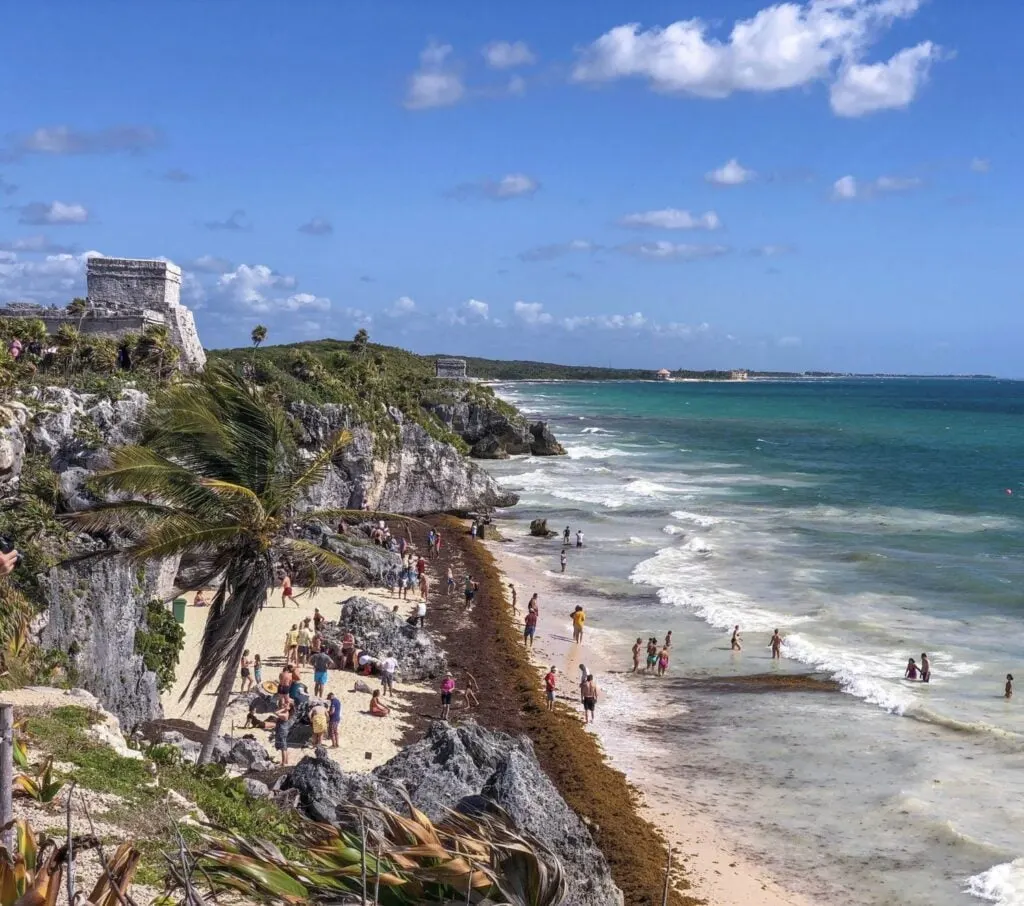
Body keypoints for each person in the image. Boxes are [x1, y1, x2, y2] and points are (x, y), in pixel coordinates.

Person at [274, 700, 294, 765]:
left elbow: (276, 713)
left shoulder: (285, 714)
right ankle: (286, 761)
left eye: (287, 704)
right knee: (284, 747)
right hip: (283, 730)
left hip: (282, 731)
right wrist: (284, 708)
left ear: (289, 707)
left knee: (283, 747)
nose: (285, 704)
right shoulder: (286, 713)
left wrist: (283, 709)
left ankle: (283, 762)